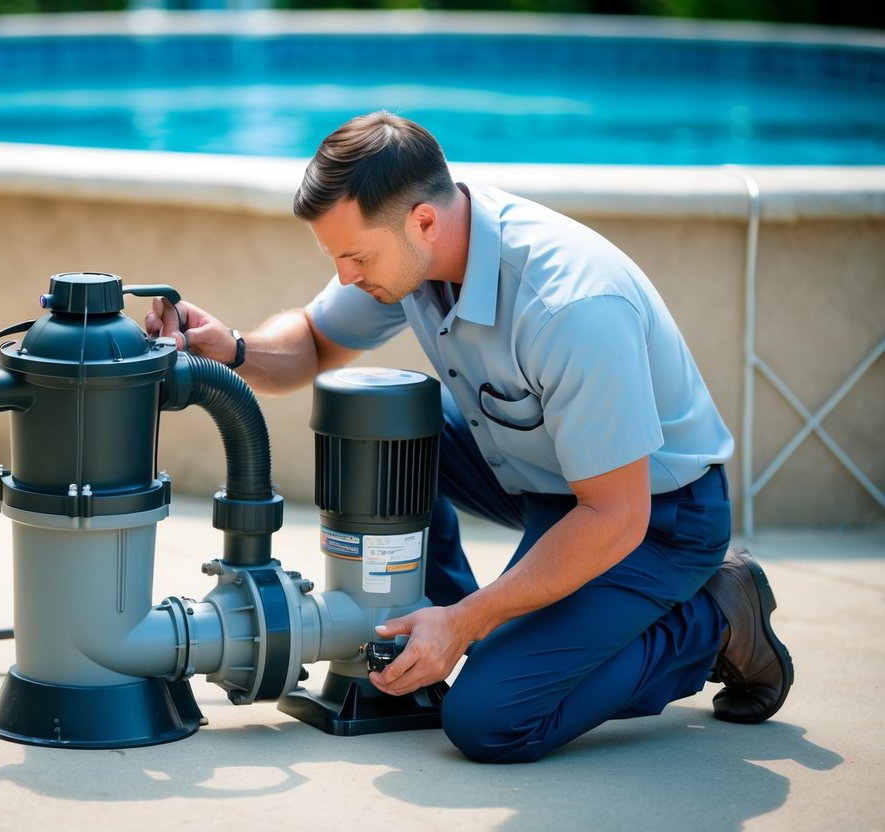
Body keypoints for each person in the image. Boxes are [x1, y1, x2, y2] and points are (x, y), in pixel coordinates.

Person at [145, 111, 793, 763]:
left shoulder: (568, 307)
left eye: (355, 256)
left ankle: (713, 619)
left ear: (423, 221)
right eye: (336, 257)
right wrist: (230, 348)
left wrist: (470, 622)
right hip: (537, 476)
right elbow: (312, 344)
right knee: (373, 416)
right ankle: (439, 619)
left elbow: (614, 515)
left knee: (491, 718)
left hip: (652, 517)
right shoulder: (413, 253)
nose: (345, 277)